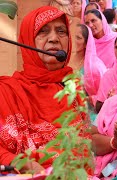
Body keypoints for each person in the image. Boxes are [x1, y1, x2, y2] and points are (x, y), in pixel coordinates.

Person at [0, 6, 86, 173]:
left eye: (61, 31)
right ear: (27, 41)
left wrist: (116, 140)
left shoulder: (73, 87)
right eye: (43, 31)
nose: (54, 38)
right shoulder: (6, 92)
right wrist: (25, 164)